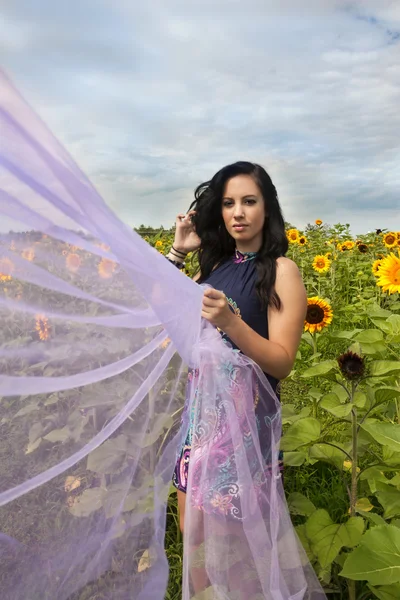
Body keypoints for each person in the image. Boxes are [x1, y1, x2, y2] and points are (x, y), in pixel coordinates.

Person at [166, 161, 307, 533]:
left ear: (267, 208)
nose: (238, 213)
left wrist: (230, 322)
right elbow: (161, 314)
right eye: (228, 203)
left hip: (244, 431)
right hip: (198, 423)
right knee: (191, 537)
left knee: (234, 549)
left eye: (249, 201)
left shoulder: (281, 271)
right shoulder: (213, 266)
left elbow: (281, 362)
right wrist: (179, 251)